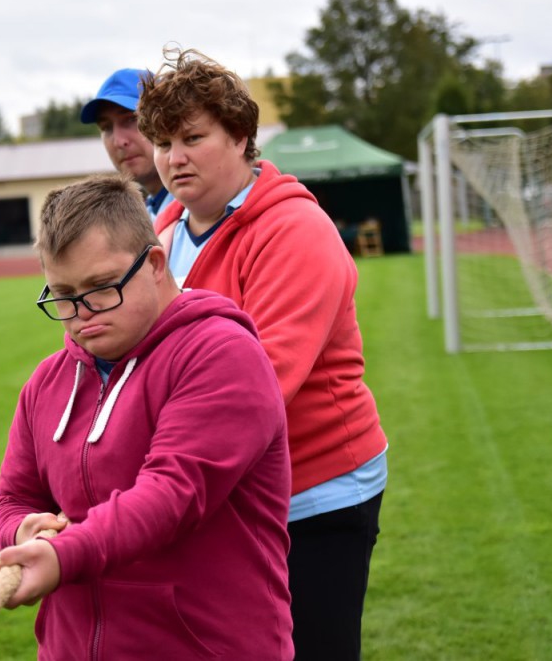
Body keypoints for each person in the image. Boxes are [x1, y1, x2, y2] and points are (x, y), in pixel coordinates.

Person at [137, 49, 389, 661]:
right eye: (164, 143)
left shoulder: (295, 231)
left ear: (242, 136)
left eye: (193, 137)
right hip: (224, 487)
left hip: (318, 490)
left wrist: (150, 477)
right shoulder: (165, 230)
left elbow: (263, 385)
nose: (175, 158)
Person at [0, 173, 293, 660]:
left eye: (101, 287)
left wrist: (63, 555)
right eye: (62, 295)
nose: (82, 313)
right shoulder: (47, 382)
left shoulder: (222, 354)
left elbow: (172, 493)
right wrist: (21, 531)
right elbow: (12, 500)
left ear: (154, 264)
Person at [80, 69, 175, 220]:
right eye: (106, 127)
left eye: (131, 119)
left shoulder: (205, 212)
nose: (118, 141)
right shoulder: (145, 217)